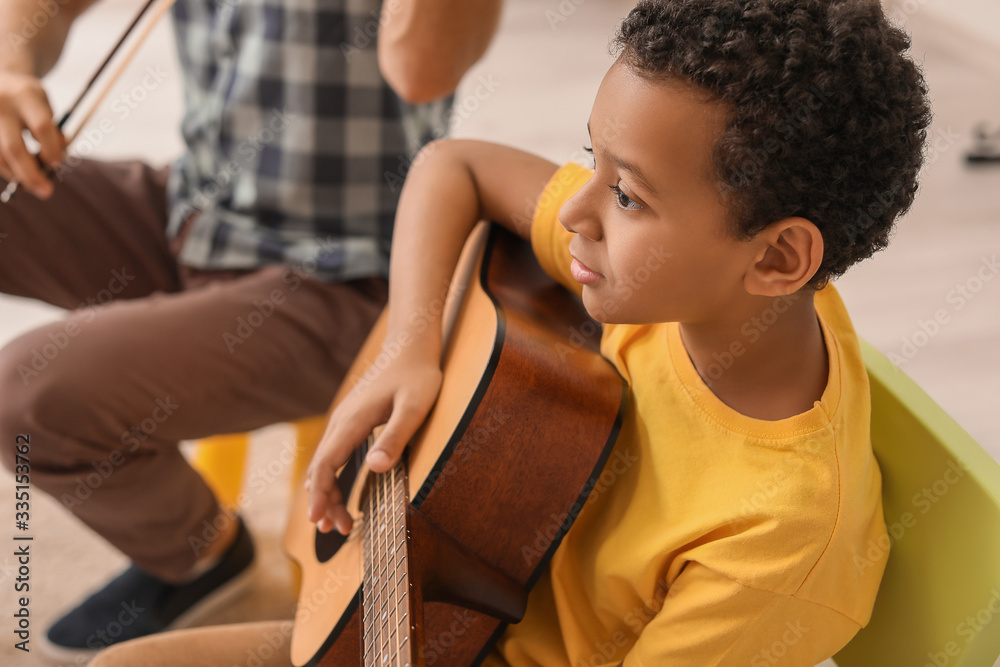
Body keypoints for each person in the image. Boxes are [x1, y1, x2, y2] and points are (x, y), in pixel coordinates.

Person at [88, 0, 932, 665]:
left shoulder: (776, 544)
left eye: (628, 194)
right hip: (446, 611)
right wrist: (409, 346)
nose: (576, 212)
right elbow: (452, 166)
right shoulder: (709, 290)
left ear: (781, 256)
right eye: (588, 160)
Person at [0, 0, 501, 661]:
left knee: (26, 396)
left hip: (348, 276)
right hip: (196, 215)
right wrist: (10, 58)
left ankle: (207, 557)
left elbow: (421, 69)